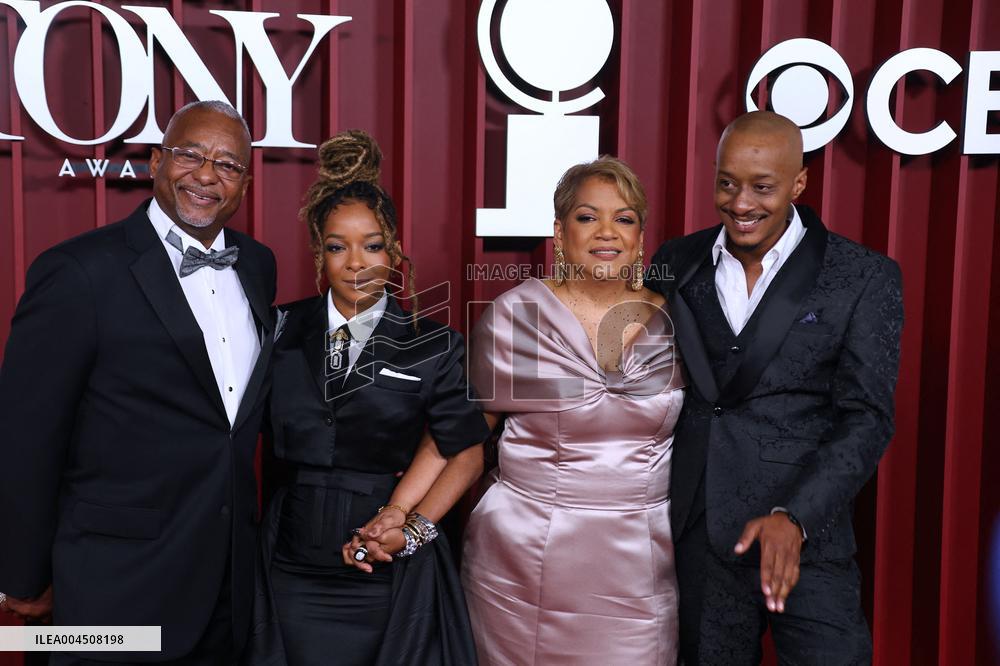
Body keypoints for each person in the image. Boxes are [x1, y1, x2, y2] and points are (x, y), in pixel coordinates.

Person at [0, 100, 276, 663]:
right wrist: (21, 578)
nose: (206, 175)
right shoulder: (79, 272)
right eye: (189, 155)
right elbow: (25, 437)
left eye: (227, 164)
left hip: (227, 587)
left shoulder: (257, 264)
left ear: (244, 184)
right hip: (108, 590)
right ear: (155, 162)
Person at [646, 111, 904, 664]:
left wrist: (798, 516)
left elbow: (867, 417)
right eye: (727, 183)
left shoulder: (863, 276)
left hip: (810, 535)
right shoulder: (675, 261)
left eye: (762, 187)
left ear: (799, 182)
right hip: (702, 531)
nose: (741, 204)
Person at [244, 130, 489, 666]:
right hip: (291, 565)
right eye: (337, 246)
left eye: (372, 245)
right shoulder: (276, 330)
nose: (356, 262)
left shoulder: (435, 345)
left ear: (394, 249)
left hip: (388, 567)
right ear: (319, 253)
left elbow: (465, 451)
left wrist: (412, 529)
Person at [462, 156, 686, 665]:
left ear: (640, 234)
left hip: (642, 561)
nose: (607, 232)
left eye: (623, 218)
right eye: (589, 217)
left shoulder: (680, 317)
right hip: (523, 557)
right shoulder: (513, 315)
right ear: (559, 232)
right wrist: (407, 518)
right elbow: (465, 441)